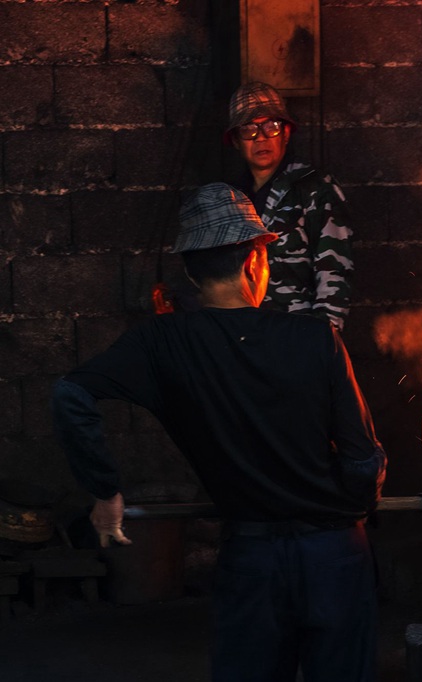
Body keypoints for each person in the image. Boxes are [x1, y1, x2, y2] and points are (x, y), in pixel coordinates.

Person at [51, 183, 386, 682]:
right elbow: (362, 461)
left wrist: (104, 489)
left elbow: (69, 396)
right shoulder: (317, 337)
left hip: (251, 560)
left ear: (190, 270)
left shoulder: (160, 343)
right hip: (335, 555)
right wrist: (360, 504)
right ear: (256, 262)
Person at [225, 80, 354, 332]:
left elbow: (335, 270)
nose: (261, 137)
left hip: (297, 333)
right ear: (236, 141)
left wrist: (324, 338)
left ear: (285, 133)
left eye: (271, 127)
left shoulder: (315, 189)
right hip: (244, 335)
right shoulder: (230, 199)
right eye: (249, 130)